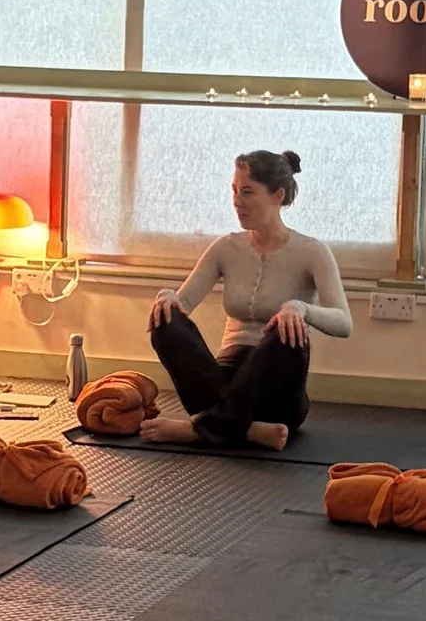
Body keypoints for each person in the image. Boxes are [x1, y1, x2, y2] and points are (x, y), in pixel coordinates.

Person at [145, 150, 352, 448]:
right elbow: (183, 303)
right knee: (165, 321)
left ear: (277, 195)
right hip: (222, 383)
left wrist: (301, 309)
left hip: (279, 394)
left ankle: (195, 430)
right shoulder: (225, 248)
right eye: (234, 191)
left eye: (247, 192)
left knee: (284, 328)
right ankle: (247, 429)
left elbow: (344, 323)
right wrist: (167, 298)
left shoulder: (312, 252)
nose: (237, 201)